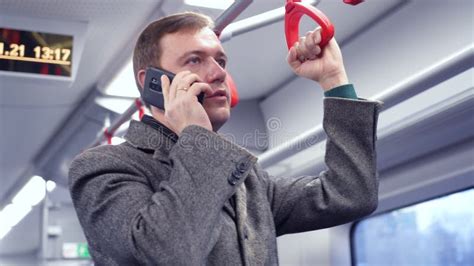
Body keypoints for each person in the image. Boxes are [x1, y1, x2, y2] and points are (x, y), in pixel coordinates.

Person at [69, 11, 382, 265]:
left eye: (220, 61)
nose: (219, 74)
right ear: (152, 83)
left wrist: (334, 79)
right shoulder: (102, 166)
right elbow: (168, 254)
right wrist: (198, 137)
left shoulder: (249, 182)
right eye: (195, 60)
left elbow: (351, 194)